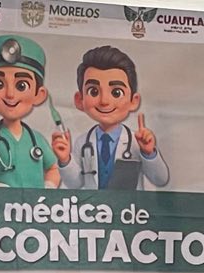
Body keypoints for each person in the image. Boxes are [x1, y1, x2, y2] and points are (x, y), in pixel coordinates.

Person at [0, 34, 70, 188]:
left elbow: (53, 168)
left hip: (36, 202)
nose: (10, 94)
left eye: (21, 86)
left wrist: (49, 186)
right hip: (3, 202)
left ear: (39, 95)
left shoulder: (36, 139)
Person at [71, 45, 171, 190]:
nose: (104, 101)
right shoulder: (82, 142)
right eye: (93, 91)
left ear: (133, 101)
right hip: (93, 204)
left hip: (129, 204)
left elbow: (160, 179)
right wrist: (65, 160)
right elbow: (75, 183)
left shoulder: (137, 142)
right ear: (80, 100)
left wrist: (149, 153)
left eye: (116, 93)